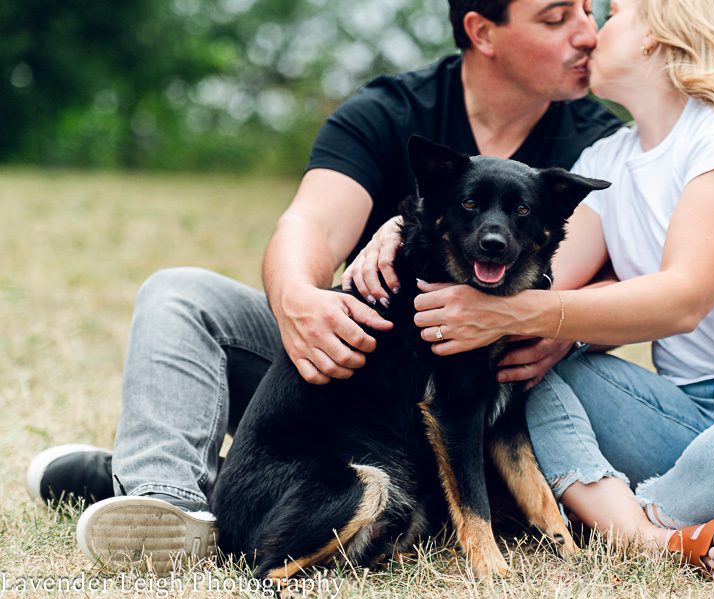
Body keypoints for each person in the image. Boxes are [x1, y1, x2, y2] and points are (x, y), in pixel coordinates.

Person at [25, 0, 623, 574]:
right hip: (348, 368)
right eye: (556, 17)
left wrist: (558, 323)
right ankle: (168, 501)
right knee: (179, 293)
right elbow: (311, 222)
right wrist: (300, 303)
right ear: (482, 31)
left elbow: (634, 275)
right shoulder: (391, 109)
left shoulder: (600, 139)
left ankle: (177, 481)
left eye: (589, 12)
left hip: (474, 413)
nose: (587, 33)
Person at [348, 0, 714, 583]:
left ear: (657, 37)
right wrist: (406, 228)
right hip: (687, 427)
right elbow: (529, 275)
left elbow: (684, 298)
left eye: (610, 14)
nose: (589, 32)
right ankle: (661, 538)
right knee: (523, 368)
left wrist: (535, 315)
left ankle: (627, 524)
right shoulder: (609, 159)